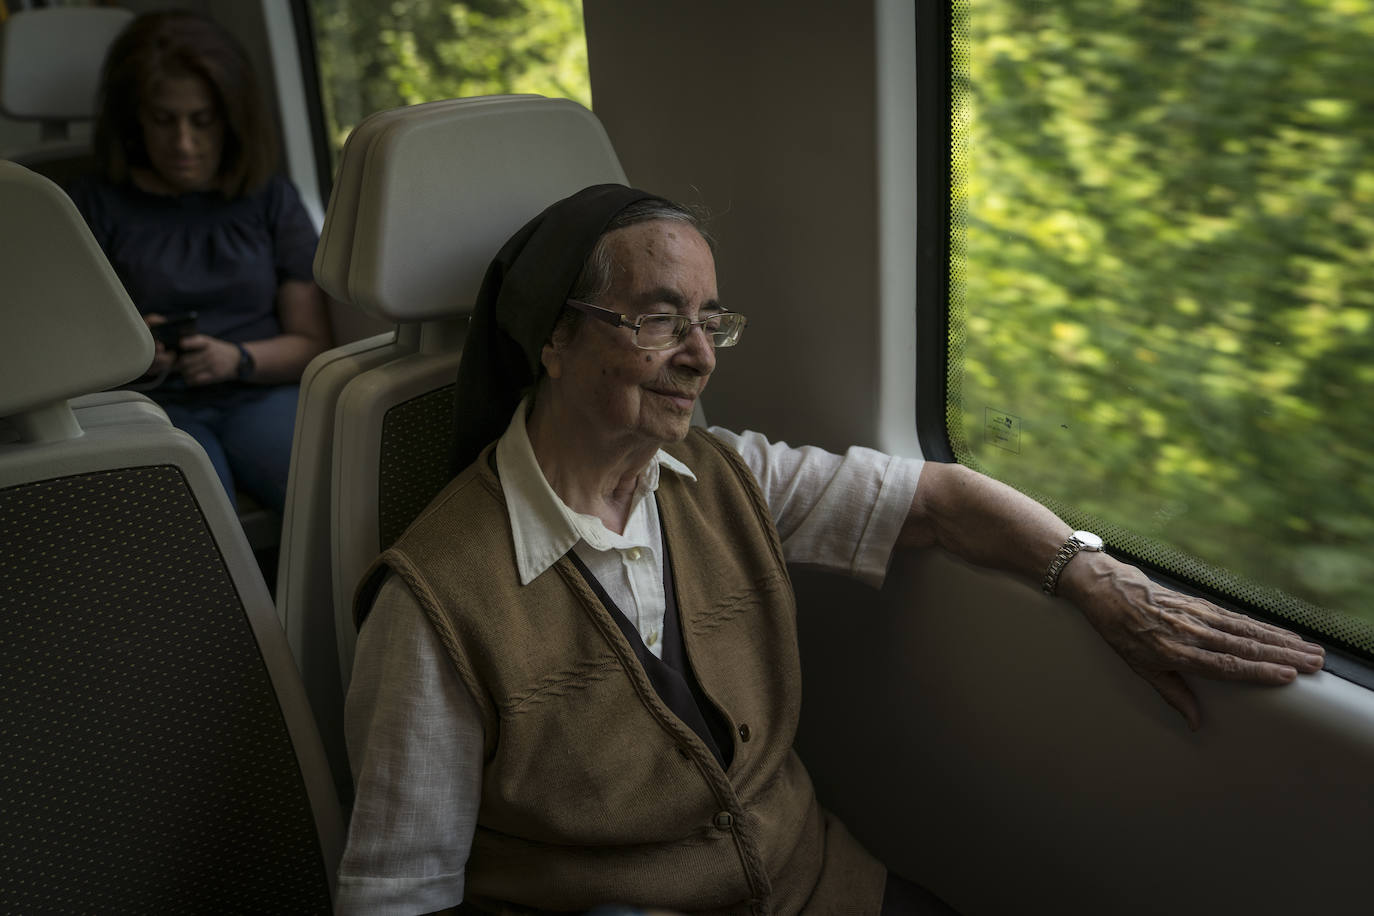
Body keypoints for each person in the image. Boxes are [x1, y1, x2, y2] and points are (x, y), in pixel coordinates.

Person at [337, 185, 1325, 915]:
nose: (700, 353)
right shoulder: (436, 605)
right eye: (658, 319)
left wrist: (1091, 574)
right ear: (551, 340)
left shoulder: (727, 479)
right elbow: (396, 896)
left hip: (826, 890)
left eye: (710, 319)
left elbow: (935, 500)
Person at [67, 10, 331, 514]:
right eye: (164, 121)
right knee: (193, 519)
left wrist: (237, 358)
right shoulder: (89, 208)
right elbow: (67, 350)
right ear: (135, 119)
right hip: (147, 405)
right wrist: (134, 352)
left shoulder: (269, 198)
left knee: (326, 499)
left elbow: (312, 345)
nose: (183, 144)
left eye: (202, 122)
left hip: (261, 388)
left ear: (229, 120)